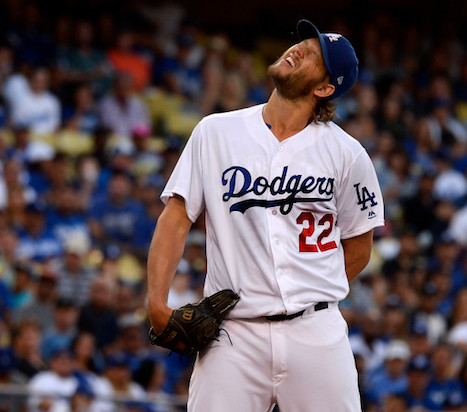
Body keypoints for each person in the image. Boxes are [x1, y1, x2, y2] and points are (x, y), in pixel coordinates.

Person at [147, 19, 385, 411]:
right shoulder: (216, 131)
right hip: (234, 336)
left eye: (312, 56)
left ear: (325, 88)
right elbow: (176, 218)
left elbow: (360, 246)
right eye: (302, 44)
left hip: (317, 333)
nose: (296, 51)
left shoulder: (348, 153)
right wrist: (157, 302)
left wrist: (309, 291)